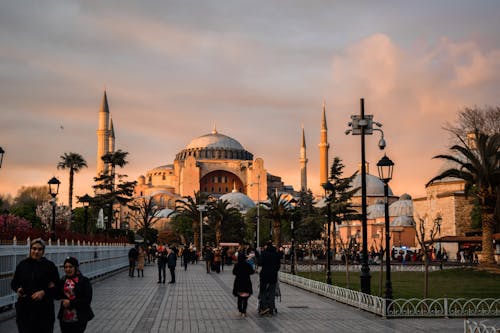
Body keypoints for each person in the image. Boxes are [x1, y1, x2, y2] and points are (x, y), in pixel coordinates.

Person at [11, 238, 60, 333]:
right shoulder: (22, 265)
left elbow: (57, 288)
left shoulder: (50, 266)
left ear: (43, 251)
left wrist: (44, 292)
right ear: (30, 249)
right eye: (34, 248)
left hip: (44, 311)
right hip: (25, 310)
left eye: (39, 249)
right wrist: (18, 288)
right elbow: (14, 282)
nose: (36, 251)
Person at [58, 257, 94, 333]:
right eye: (66, 267)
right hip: (65, 317)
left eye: (71, 267)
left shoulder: (84, 281)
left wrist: (71, 303)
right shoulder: (63, 280)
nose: (68, 269)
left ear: (76, 267)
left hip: (79, 316)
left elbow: (87, 300)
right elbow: (58, 295)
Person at [258, 241, 281, 316]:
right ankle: (271, 309)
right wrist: (274, 270)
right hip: (273, 275)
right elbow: (278, 266)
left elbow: (260, 263)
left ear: (266, 246)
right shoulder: (276, 254)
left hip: (264, 274)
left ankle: (264, 308)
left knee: (263, 291)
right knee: (272, 292)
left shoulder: (264, 253)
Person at [232, 252, 255, 317]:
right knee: (245, 298)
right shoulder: (247, 265)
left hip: (238, 282)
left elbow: (234, 272)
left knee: (239, 298)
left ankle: (240, 311)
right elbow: (252, 272)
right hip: (246, 282)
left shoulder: (236, 265)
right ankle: (244, 312)